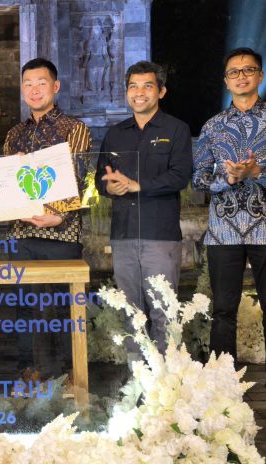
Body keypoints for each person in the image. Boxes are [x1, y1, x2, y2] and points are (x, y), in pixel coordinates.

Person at [193, 47, 266, 410]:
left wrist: (259, 172)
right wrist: (227, 178)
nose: (241, 76)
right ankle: (223, 388)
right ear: (225, 81)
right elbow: (198, 179)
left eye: (248, 70)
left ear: (259, 76)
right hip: (224, 232)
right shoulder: (212, 125)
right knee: (223, 311)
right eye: (234, 72)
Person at [2, 58, 92, 382]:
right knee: (25, 305)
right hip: (22, 232)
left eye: (41, 83)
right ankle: (29, 373)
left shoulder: (74, 129)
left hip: (61, 234)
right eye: (28, 83)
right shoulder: (14, 135)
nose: (34, 89)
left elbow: (82, 178)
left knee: (63, 304)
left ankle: (69, 375)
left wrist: (60, 215)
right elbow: (6, 184)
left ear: (55, 86)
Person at [96, 61, 192, 357]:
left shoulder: (176, 129)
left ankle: (165, 378)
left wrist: (138, 185)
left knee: (164, 313)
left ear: (161, 91)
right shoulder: (115, 133)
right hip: (123, 236)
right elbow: (100, 179)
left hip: (159, 236)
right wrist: (109, 188)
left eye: (147, 86)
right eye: (133, 86)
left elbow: (180, 176)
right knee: (131, 315)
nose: (139, 93)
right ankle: (137, 377)